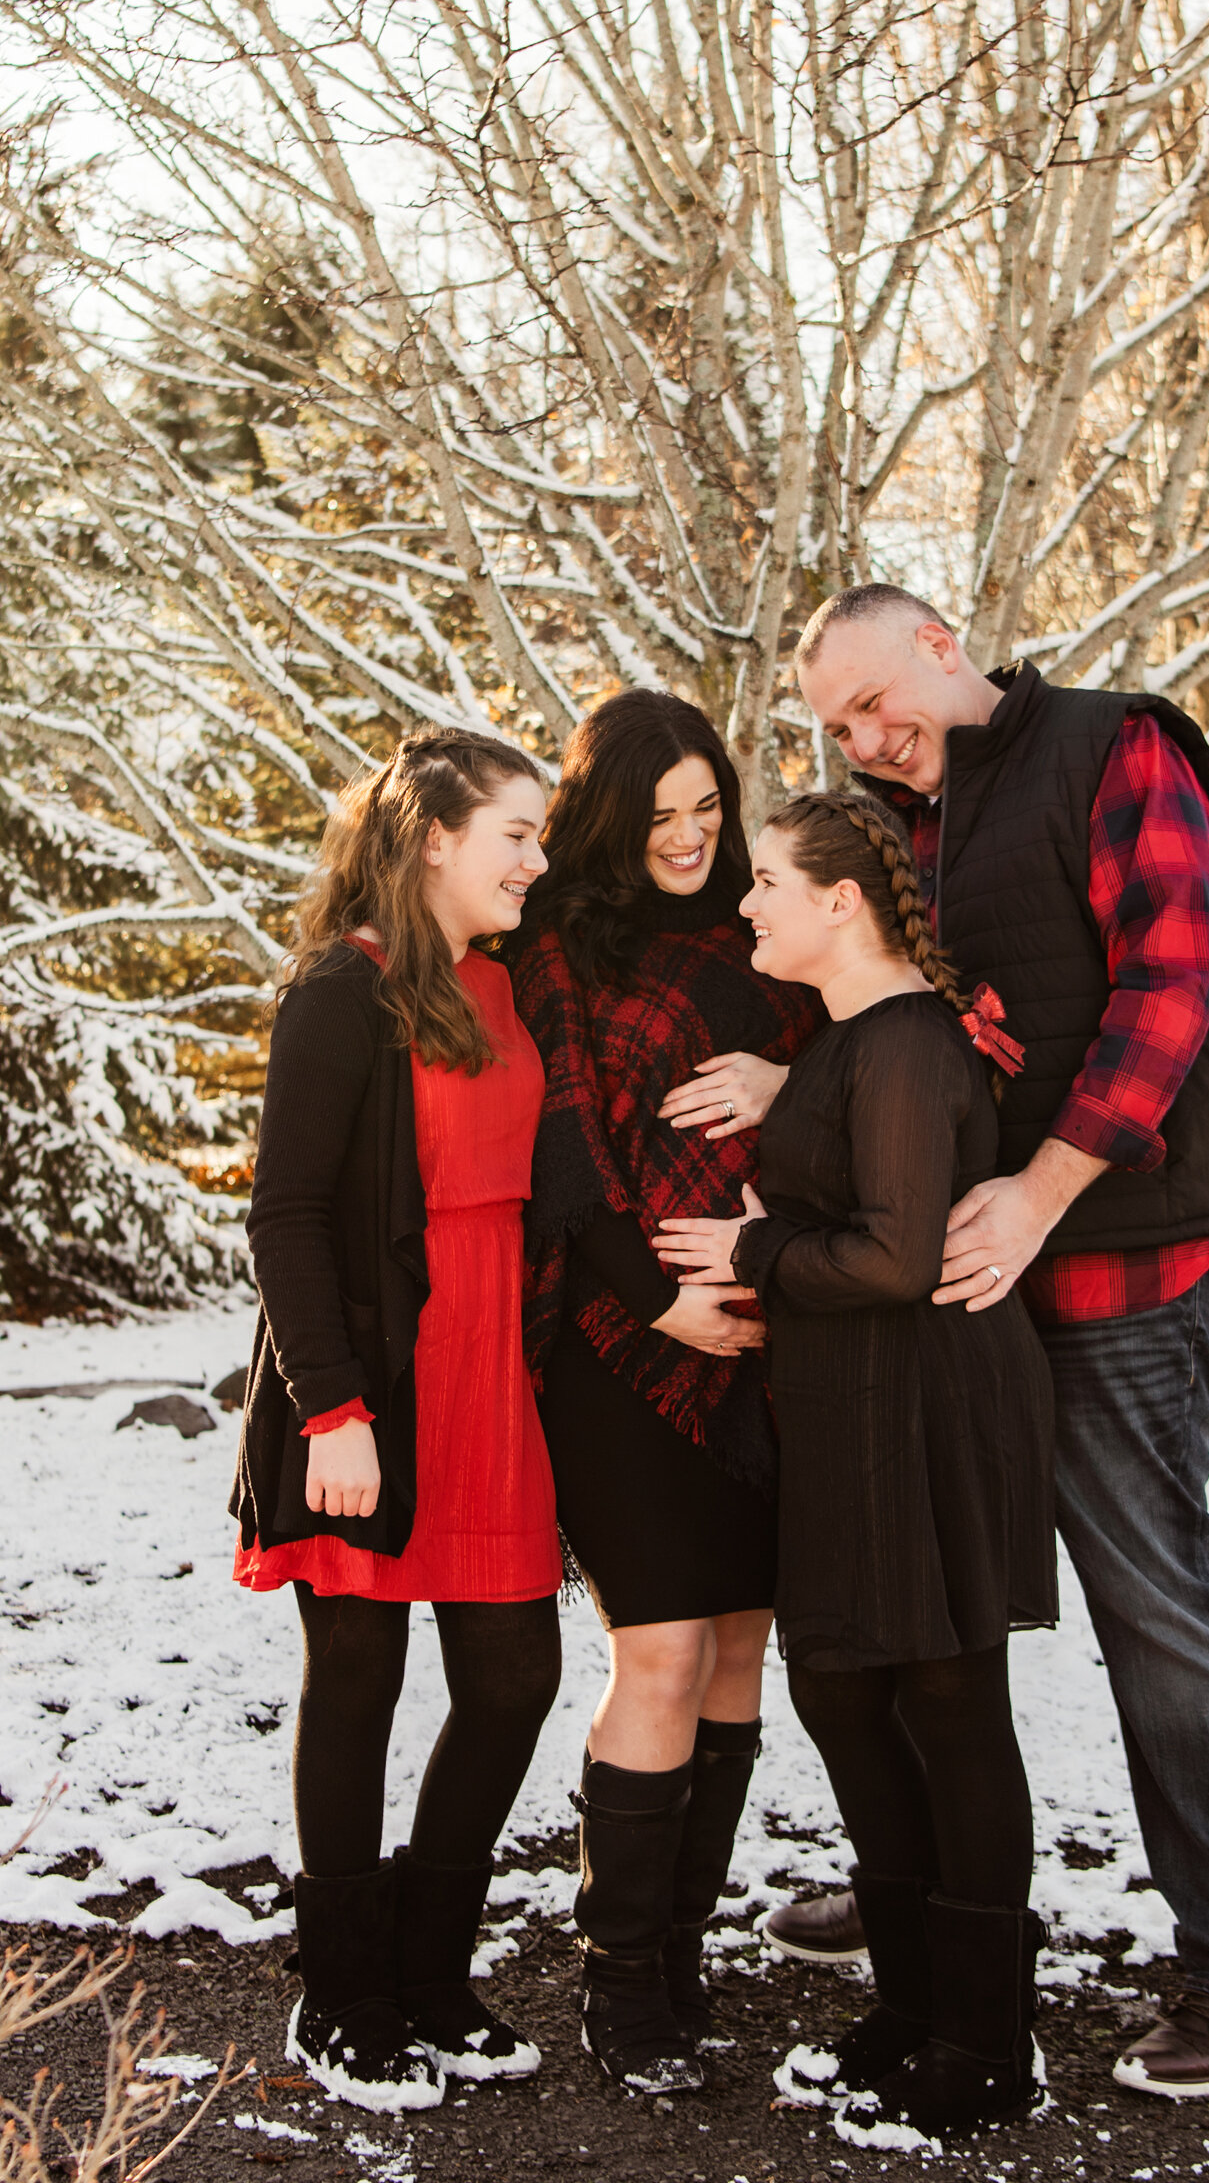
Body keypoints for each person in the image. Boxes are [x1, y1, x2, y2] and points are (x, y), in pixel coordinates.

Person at [773, 581, 1209, 2103]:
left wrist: (1046, 1185)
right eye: (839, 727)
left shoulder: (1111, 749)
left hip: (1125, 1270)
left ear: (944, 647)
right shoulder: (897, 821)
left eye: (882, 702)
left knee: (1157, 1604)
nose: (870, 740)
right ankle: (935, 1903)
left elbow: (1169, 984)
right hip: (966, 1289)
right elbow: (900, 1016)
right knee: (934, 1616)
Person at [654, 791, 1057, 2145]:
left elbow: (893, 1257)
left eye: (767, 879)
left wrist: (755, 1254)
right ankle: (912, 2002)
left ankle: (987, 2041)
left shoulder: (904, 1048)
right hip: (849, 1412)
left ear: (843, 902)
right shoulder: (848, 1042)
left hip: (928, 1410)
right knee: (840, 1690)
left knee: (947, 1707)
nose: (745, 902)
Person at [231, 728, 563, 2113]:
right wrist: (337, 1410)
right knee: (357, 1685)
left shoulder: (503, 982)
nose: (536, 864)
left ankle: (432, 1970)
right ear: (435, 836)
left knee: (511, 1680)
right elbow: (286, 1217)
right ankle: (343, 1993)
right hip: (375, 1383)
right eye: (517, 837)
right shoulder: (341, 994)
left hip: (497, 1385)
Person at [506, 690, 818, 2095]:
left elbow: (869, 1046)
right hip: (623, 1344)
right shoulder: (562, 943)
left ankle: (685, 1944)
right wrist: (660, 1302)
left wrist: (782, 1072)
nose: (690, 837)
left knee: (745, 1654)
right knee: (666, 1652)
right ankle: (621, 1978)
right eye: (662, 815)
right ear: (610, 817)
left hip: (770, 1342)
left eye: (708, 809)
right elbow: (565, 1145)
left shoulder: (763, 936)